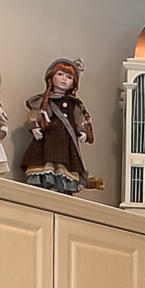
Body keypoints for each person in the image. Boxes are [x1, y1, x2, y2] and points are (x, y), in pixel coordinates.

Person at [18, 58, 96, 195]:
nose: (64, 79)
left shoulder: (75, 104)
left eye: (69, 77)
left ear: (73, 83)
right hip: (48, 139)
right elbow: (36, 113)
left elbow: (79, 119)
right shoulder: (43, 100)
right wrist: (35, 126)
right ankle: (46, 182)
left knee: (65, 164)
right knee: (45, 160)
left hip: (66, 143)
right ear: (51, 76)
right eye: (60, 75)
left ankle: (62, 185)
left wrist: (82, 131)